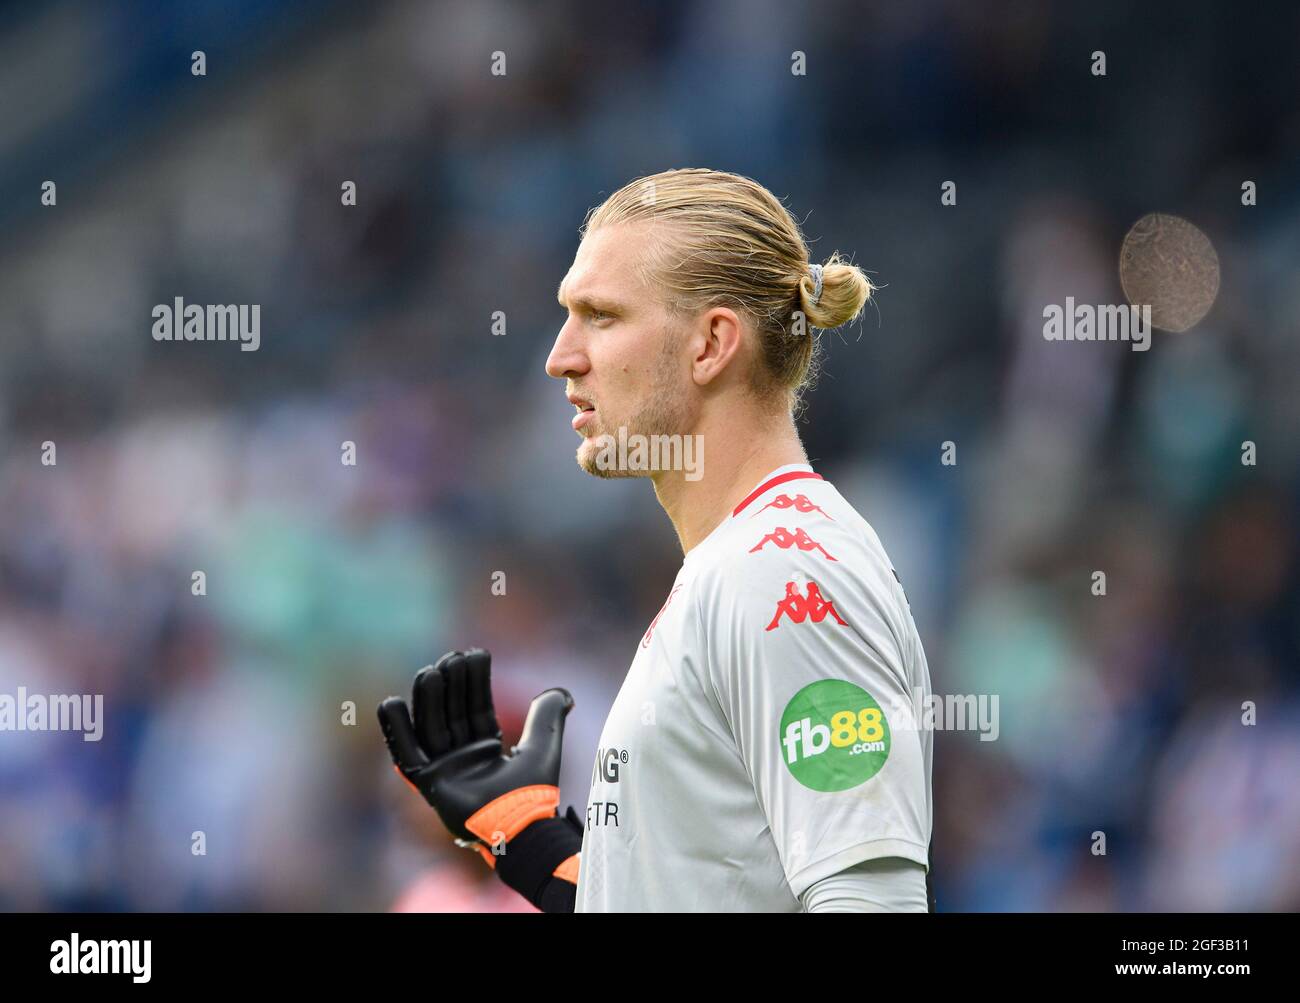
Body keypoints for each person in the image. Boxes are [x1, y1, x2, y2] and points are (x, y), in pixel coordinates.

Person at [379, 168, 934, 912]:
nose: (560, 356)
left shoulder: (786, 575)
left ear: (711, 344)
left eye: (600, 315)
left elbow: (873, 904)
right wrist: (535, 845)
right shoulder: (738, 565)